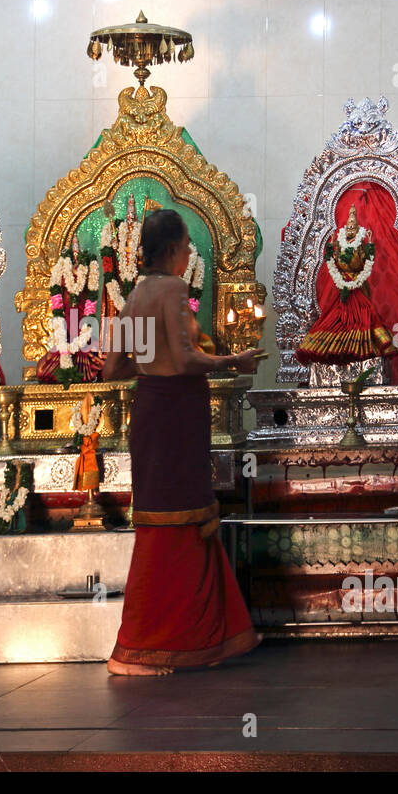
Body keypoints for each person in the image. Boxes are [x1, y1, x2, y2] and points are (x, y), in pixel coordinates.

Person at [102, 209, 265, 676]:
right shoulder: (174, 289)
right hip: (176, 414)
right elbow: (189, 358)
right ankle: (184, 637)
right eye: (188, 245)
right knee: (187, 517)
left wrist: (153, 368)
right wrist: (236, 359)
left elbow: (115, 368)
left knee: (160, 521)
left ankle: (152, 643)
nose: (190, 253)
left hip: (150, 413)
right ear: (173, 250)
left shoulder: (134, 297)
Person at [294, 204, 398, 368]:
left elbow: (367, 262)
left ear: (357, 229)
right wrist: (330, 247)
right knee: (335, 320)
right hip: (340, 288)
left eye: (353, 226)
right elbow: (332, 260)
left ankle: (362, 356)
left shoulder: (361, 245)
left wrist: (370, 244)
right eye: (348, 226)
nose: (350, 228)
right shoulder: (338, 244)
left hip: (357, 287)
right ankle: (337, 355)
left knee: (363, 318)